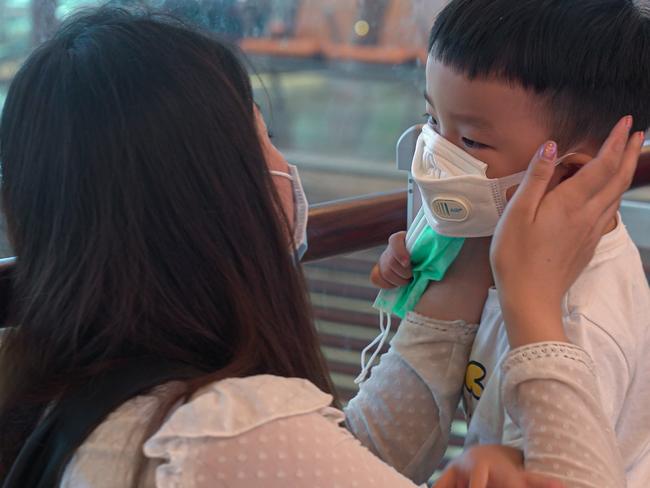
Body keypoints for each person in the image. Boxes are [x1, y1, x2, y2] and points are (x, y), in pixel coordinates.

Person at [0, 6, 640, 488]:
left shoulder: (63, 383)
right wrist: (523, 300)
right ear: (203, 198)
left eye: (468, 142)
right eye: (264, 140)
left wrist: (453, 286)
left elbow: (357, 460)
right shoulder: (216, 435)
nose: (433, 152)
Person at [364, 0, 650, 486]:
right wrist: (426, 274)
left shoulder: (582, 323)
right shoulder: (487, 234)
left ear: (573, 173)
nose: (436, 156)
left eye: (472, 142)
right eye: (433, 122)